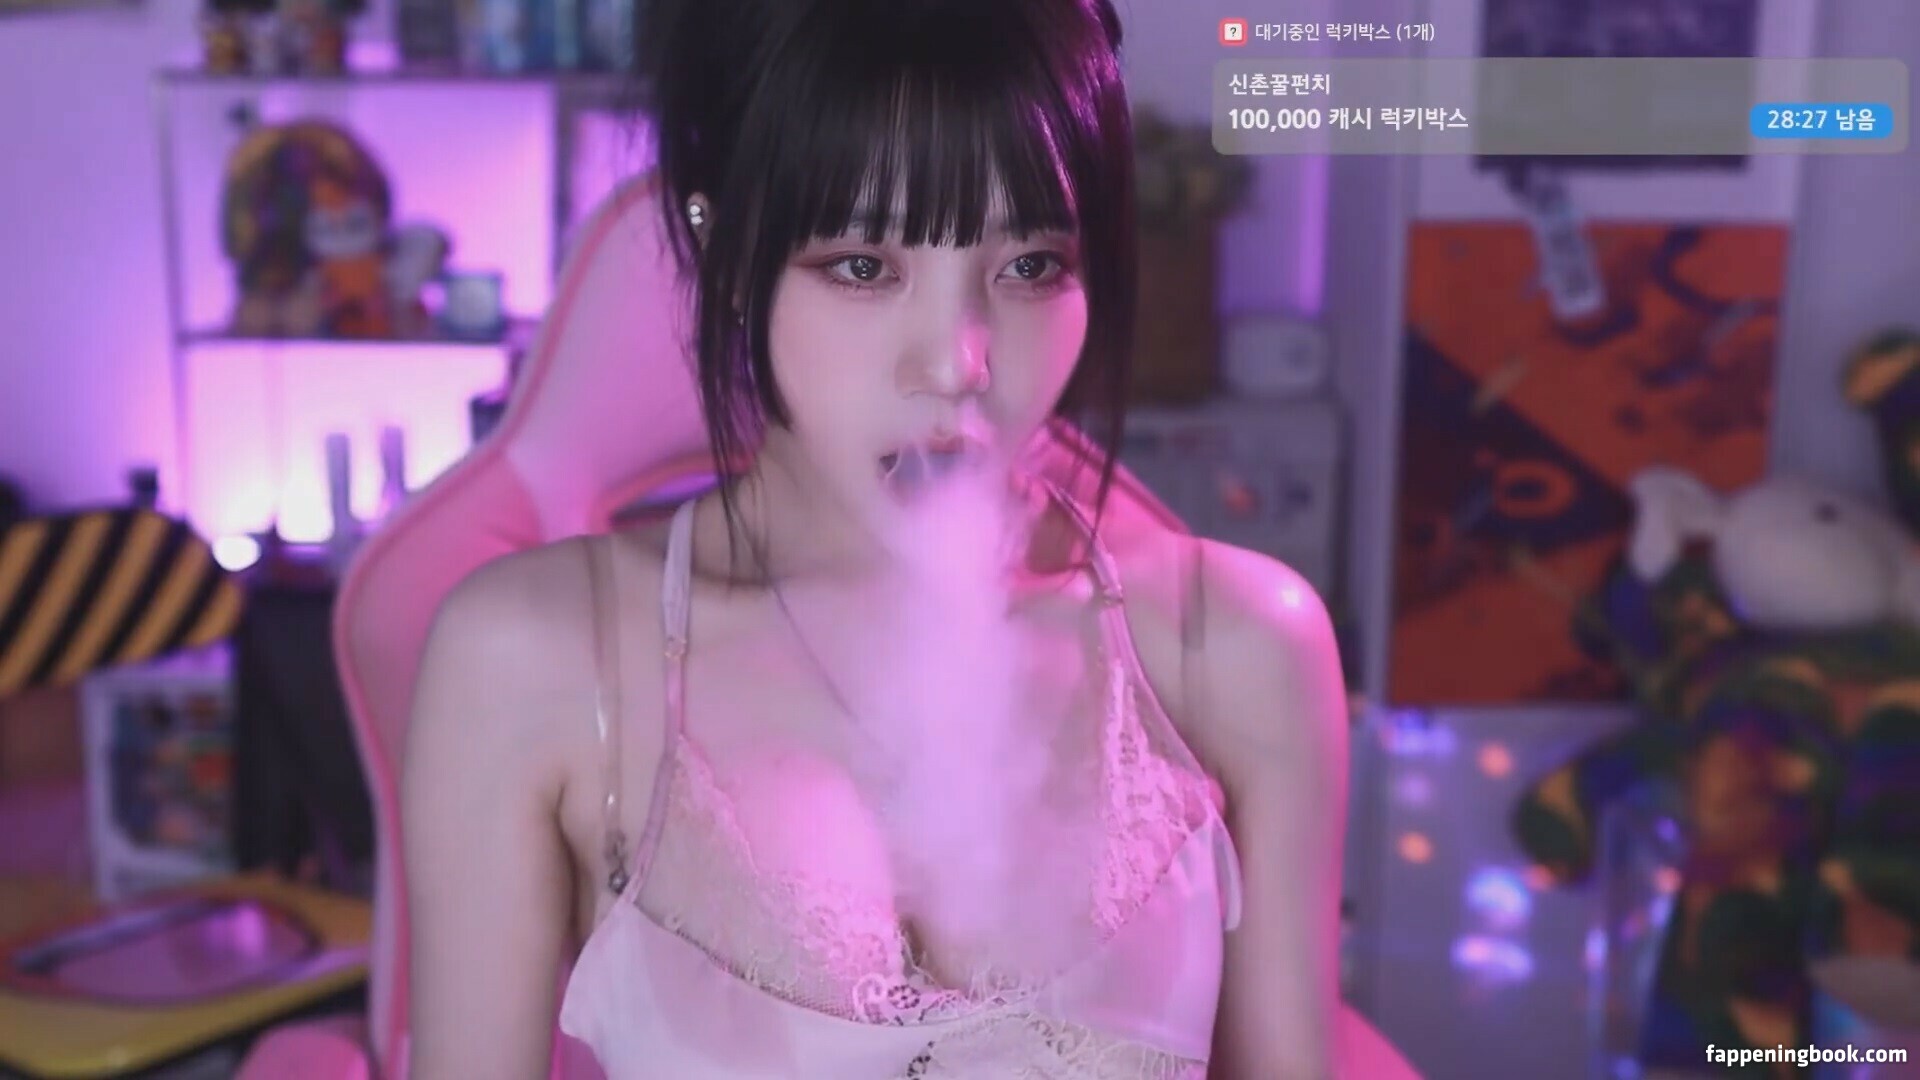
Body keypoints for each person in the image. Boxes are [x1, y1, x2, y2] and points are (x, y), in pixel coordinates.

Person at [401, 0, 1350, 1076]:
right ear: (727, 249)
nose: (956, 363)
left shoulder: (1237, 645)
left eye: (1031, 266)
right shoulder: (537, 657)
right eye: (862, 265)